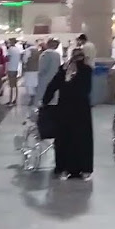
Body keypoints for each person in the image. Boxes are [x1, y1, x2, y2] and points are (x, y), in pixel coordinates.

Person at [43, 47, 93, 179]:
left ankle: (64, 168)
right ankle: (84, 169)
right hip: (81, 110)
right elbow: (86, 90)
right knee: (83, 139)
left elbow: (52, 86)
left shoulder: (64, 70)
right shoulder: (86, 70)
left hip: (65, 109)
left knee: (65, 138)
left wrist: (45, 101)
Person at [36, 38, 61, 103]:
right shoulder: (57, 54)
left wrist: (39, 75)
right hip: (55, 78)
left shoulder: (45, 54)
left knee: (43, 95)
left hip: (45, 79)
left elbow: (42, 68)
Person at [6, 38, 22, 106]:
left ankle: (10, 100)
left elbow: (8, 58)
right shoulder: (17, 49)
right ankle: (15, 99)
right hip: (16, 68)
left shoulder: (10, 49)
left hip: (10, 68)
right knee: (15, 85)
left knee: (11, 85)